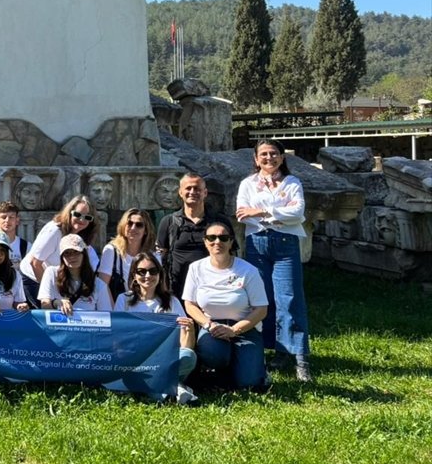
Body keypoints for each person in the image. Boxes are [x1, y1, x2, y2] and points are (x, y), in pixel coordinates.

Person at [236, 140, 312, 382]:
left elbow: (298, 213)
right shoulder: (248, 184)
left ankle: (300, 357)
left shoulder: (292, 183)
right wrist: (279, 212)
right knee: (262, 299)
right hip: (257, 244)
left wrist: (261, 212)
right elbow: (241, 212)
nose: (269, 158)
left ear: (282, 157)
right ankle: (277, 350)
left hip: (285, 244)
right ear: (256, 159)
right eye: (264, 154)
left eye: (274, 154)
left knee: (289, 298)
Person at [182, 221, 270, 391]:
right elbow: (190, 304)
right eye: (212, 238)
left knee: (249, 383)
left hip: (244, 328)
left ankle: (253, 369)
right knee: (215, 356)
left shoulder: (248, 271)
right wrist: (209, 324)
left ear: (231, 242)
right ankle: (222, 370)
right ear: (205, 242)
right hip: (212, 327)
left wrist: (235, 330)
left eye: (223, 238)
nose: (217, 242)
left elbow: (261, 309)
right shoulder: (196, 268)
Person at [114, 251, 198, 405]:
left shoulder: (171, 301)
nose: (148, 276)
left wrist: (190, 330)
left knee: (188, 356)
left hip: (166, 358)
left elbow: (186, 346)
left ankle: (160, 391)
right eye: (141, 271)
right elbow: (117, 338)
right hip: (136, 359)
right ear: (134, 275)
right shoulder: (123, 299)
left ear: (160, 274)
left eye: (153, 271)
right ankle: (175, 391)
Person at [156, 173, 237, 300]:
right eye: (188, 188)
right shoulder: (169, 222)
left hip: (212, 287)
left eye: (197, 189)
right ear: (180, 192)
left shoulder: (220, 222)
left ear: (205, 193)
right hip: (177, 289)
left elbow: (231, 254)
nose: (192, 192)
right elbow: (161, 255)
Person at [23, 195, 107, 287]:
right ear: (69, 213)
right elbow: (35, 263)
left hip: (59, 283)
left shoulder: (82, 236)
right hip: (34, 279)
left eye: (87, 217)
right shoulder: (54, 231)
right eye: (77, 215)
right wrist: (50, 293)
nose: (82, 219)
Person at [38, 233, 113, 314]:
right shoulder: (51, 273)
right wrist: (56, 303)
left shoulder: (98, 284)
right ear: (62, 257)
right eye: (67, 253)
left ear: (84, 254)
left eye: (76, 252)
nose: (72, 257)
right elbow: (44, 304)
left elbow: (107, 315)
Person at [101, 209, 157, 301]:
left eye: (139, 225)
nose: (133, 228)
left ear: (146, 230)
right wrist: (114, 311)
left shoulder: (153, 255)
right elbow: (103, 286)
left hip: (144, 306)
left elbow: (158, 285)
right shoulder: (111, 251)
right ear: (123, 226)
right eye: (129, 223)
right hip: (116, 307)